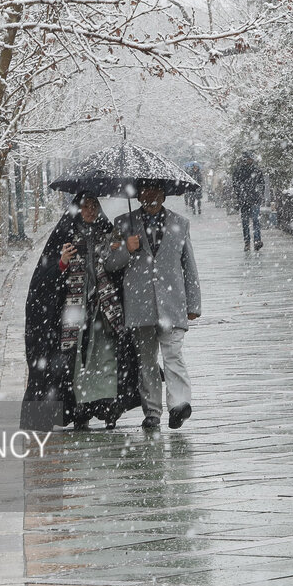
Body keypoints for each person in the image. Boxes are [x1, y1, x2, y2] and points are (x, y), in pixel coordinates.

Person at [21, 193, 140, 431]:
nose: (90, 210)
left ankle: (106, 407)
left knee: (104, 359)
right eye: (85, 206)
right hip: (72, 314)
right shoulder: (64, 235)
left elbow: (114, 268)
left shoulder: (107, 233)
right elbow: (45, 277)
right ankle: (78, 410)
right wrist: (62, 262)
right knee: (73, 363)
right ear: (77, 209)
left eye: (94, 205)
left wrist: (121, 250)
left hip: (103, 312)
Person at [107, 182, 201, 430]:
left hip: (172, 303)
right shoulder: (122, 224)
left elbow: (189, 266)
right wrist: (127, 248)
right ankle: (152, 412)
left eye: (156, 191)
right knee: (147, 361)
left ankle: (179, 404)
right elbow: (109, 263)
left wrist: (194, 303)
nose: (151, 196)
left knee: (173, 355)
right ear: (138, 196)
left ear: (164, 194)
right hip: (140, 303)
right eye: (146, 192)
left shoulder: (180, 223)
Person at [230, 151, 264, 251]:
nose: (249, 161)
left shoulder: (256, 170)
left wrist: (258, 194)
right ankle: (247, 241)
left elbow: (261, 184)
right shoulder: (239, 170)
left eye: (250, 159)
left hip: (254, 199)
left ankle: (257, 240)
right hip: (244, 200)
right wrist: (240, 193)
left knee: (255, 221)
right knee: (245, 222)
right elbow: (235, 184)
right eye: (248, 159)